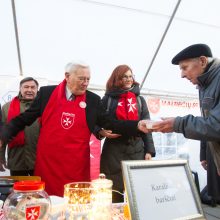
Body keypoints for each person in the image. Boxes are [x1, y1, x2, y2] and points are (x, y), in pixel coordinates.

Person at [0, 61, 149, 197]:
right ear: (67, 76)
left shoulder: (93, 100)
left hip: (77, 167)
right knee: (49, 203)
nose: (85, 83)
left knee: (77, 204)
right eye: (81, 79)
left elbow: (111, 123)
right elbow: (24, 119)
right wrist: (4, 135)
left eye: (88, 79)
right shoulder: (46, 94)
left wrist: (137, 125)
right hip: (48, 165)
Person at [150, 43, 220, 205]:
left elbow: (216, 125)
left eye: (185, 67)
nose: (182, 75)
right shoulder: (205, 84)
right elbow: (206, 124)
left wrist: (178, 124)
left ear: (202, 61)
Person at [100, 65, 156, 202]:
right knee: (114, 191)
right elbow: (100, 121)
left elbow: (147, 125)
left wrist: (149, 150)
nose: (128, 79)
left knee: (135, 192)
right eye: (124, 76)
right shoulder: (108, 99)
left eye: (130, 76)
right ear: (117, 78)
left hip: (136, 149)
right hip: (113, 150)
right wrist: (100, 131)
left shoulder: (140, 100)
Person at [0, 77, 39, 176]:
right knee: (18, 190)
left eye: (32, 87)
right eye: (26, 87)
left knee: (39, 190)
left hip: (40, 161)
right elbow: (2, 134)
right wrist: (0, 156)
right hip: (17, 160)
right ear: (20, 89)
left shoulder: (45, 107)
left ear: (37, 89)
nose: (29, 90)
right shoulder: (6, 108)